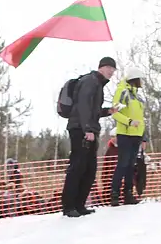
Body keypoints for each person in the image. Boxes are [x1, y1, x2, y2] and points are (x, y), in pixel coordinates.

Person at [61, 56, 117, 217]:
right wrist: (87, 129)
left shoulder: (98, 85)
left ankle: (79, 205)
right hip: (80, 129)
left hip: (89, 129)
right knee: (77, 167)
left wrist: (108, 111)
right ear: (102, 67)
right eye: (109, 68)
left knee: (89, 169)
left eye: (113, 70)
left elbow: (93, 111)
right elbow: (83, 106)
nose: (112, 72)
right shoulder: (90, 81)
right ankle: (69, 206)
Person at [110, 67, 147, 206]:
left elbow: (141, 118)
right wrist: (130, 122)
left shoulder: (137, 96)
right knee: (123, 165)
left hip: (136, 135)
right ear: (135, 80)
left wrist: (144, 137)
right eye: (140, 79)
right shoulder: (124, 93)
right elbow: (115, 113)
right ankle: (114, 194)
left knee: (131, 165)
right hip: (125, 134)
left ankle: (128, 194)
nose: (142, 82)